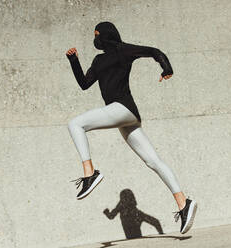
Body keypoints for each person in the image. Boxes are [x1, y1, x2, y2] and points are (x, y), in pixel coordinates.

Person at [66, 21, 197, 234]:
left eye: (98, 34)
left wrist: (167, 68)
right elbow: (84, 84)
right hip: (126, 117)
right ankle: (184, 204)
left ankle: (90, 173)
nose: (96, 38)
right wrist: (74, 61)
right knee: (152, 161)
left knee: (75, 124)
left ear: (107, 34)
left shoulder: (124, 50)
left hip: (123, 108)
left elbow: (154, 51)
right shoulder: (98, 60)